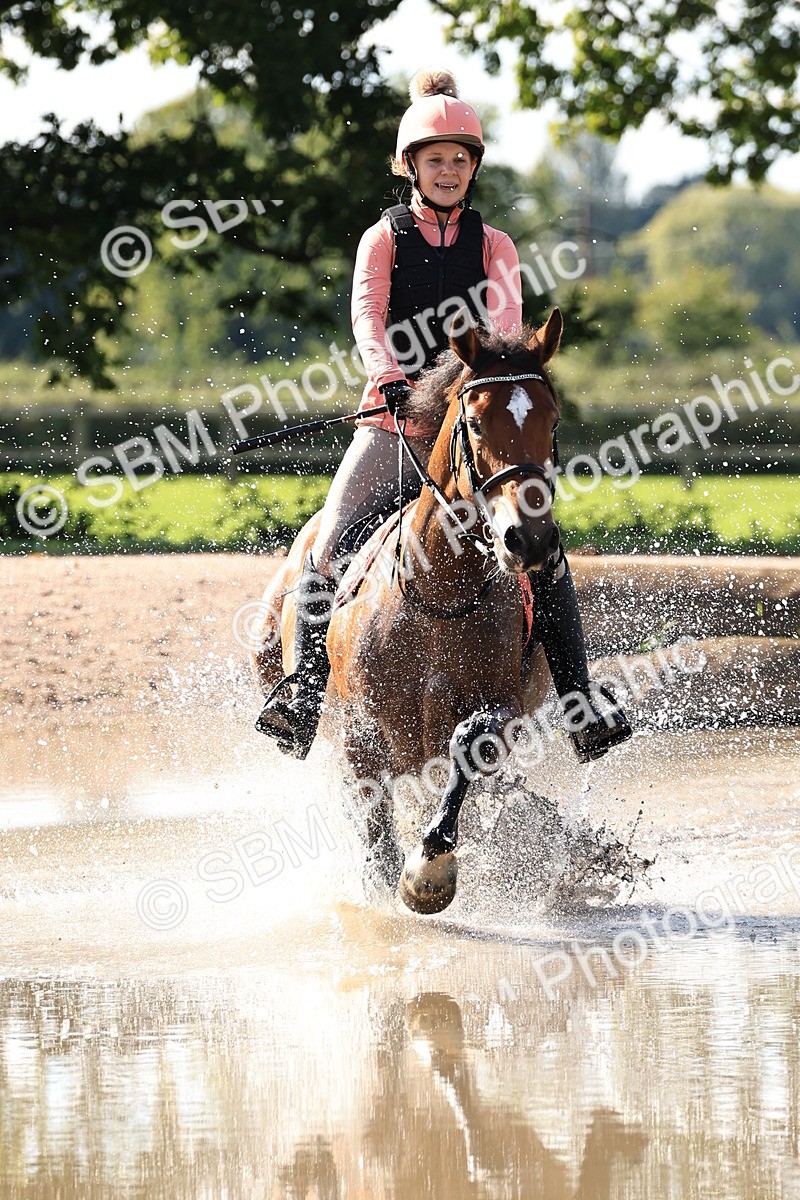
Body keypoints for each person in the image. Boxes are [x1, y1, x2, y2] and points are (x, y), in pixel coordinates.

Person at [255, 68, 631, 763]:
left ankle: (579, 702)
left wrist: (479, 384)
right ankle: (304, 692)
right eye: (436, 160)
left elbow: (508, 334)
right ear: (411, 168)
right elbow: (369, 315)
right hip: (395, 426)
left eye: (461, 159)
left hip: (475, 429)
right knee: (330, 541)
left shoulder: (497, 246)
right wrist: (388, 376)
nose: (450, 169)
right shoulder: (384, 237)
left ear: (474, 167)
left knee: (543, 549)